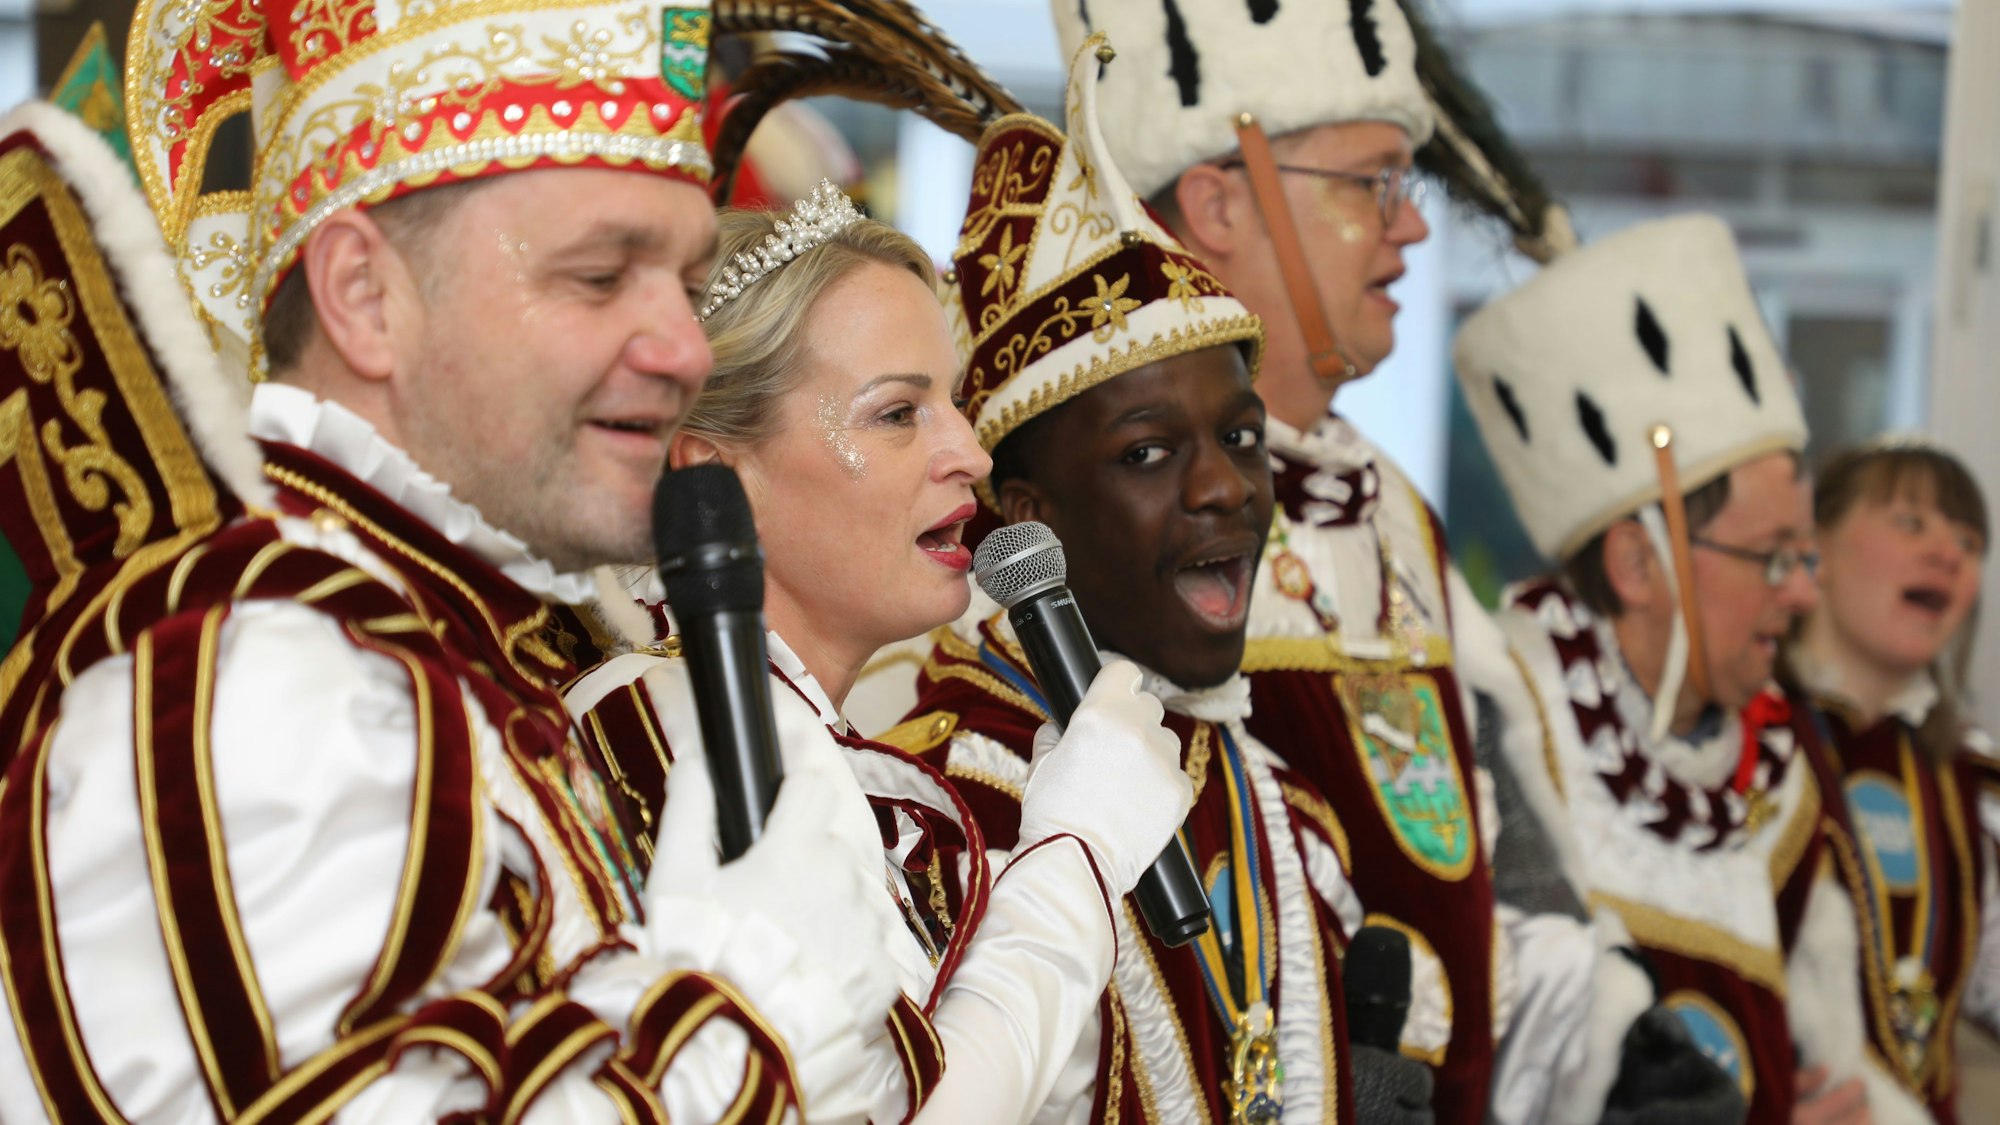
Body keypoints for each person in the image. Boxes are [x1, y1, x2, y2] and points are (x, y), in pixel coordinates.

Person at [0, 0, 910, 1117]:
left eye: (684, 282)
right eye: (598, 275)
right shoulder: (261, 672)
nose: (684, 348)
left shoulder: (429, 638)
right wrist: (755, 1007)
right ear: (364, 296)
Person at [1030, 4, 1629, 1119]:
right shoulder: (1098, 514)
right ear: (1217, 203)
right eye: (1372, 185)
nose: (1412, 230)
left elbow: (1487, 863)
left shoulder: (1393, 505)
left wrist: (1610, 1038)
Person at [563, 183, 1197, 1123]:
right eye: (898, 413)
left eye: (954, 403)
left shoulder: (772, 726)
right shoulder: (685, 722)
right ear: (711, 480)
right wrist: (1080, 853)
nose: (971, 454)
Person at [888, 34, 1416, 1122]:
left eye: (1242, 437)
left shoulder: (1287, 819)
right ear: (1024, 516)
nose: (1224, 487)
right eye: (1146, 452)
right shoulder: (940, 817)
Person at [1457, 212, 1928, 1124]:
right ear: (1640, 564)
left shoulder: (1783, 769)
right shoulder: (1498, 716)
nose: (1803, 592)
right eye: (1774, 556)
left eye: (1806, 555)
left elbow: (1836, 1064)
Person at [1782, 439, 2000, 1121]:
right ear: (1814, 547)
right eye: (1911, 522)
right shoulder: (1742, 742)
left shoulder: (1970, 781)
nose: (1948, 554)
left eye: (1969, 540)